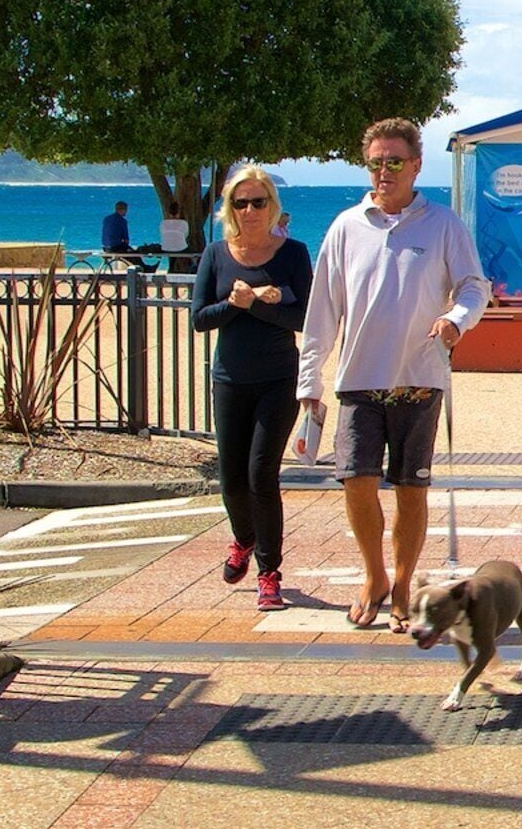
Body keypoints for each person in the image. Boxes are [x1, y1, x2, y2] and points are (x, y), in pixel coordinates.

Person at [300, 118, 487, 628]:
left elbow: (475, 286)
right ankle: (375, 575)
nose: (384, 172)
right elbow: (322, 312)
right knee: (356, 483)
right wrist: (309, 386)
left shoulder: (443, 223)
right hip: (358, 380)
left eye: (395, 162)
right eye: (376, 162)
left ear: (416, 165)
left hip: (420, 377)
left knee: (410, 488)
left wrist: (456, 320)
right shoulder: (345, 227)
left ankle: (403, 582)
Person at [192, 164, 309, 611]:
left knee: (262, 474)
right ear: (229, 210)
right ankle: (242, 539)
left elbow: (305, 319)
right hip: (230, 379)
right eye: (240, 203)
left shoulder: (293, 254)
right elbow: (201, 319)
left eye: (258, 202)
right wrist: (234, 304)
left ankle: (269, 572)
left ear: (272, 206)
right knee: (232, 478)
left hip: (278, 378)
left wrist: (268, 303)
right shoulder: (216, 254)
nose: (250, 210)